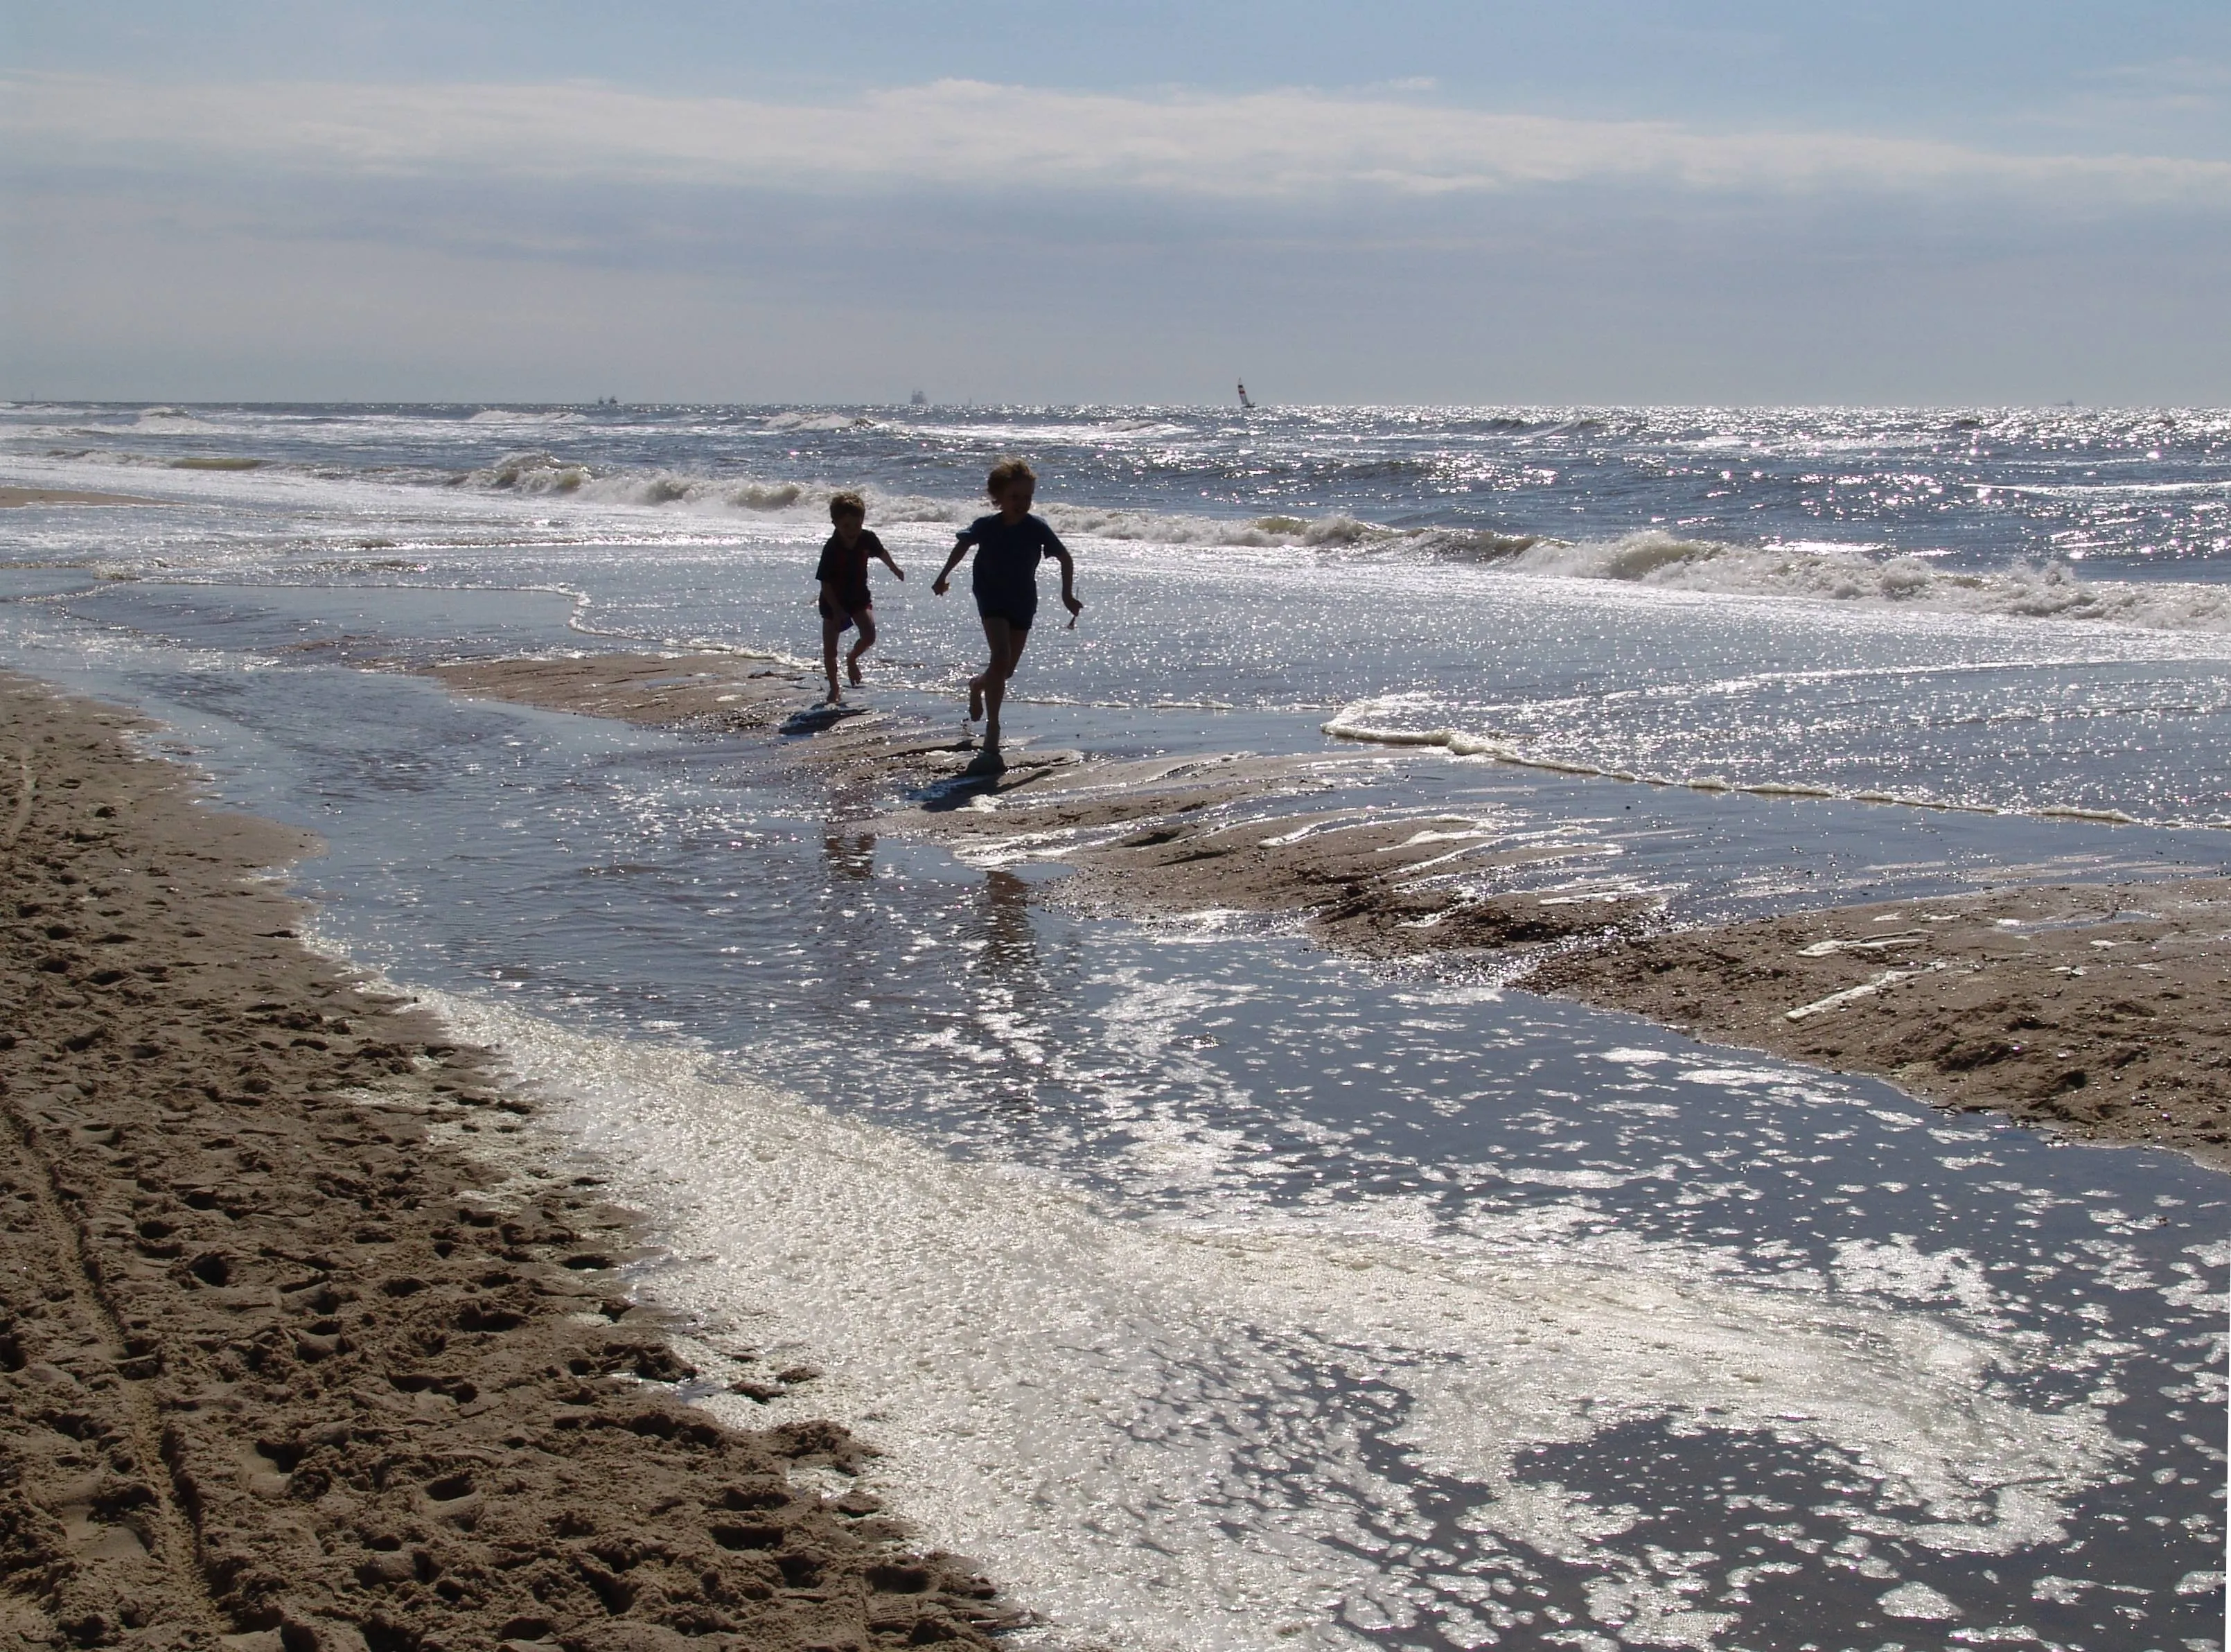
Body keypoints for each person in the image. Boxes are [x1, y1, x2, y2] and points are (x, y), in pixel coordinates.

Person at [931, 457, 1082, 755]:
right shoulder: (986, 526)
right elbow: (962, 545)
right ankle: (994, 728)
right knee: (1000, 656)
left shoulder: (1036, 528)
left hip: (1023, 599)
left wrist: (1066, 596)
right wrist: (942, 576)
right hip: (991, 596)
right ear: (998, 497)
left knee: (1006, 669)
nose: (1022, 503)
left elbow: (1065, 558)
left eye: (1028, 497)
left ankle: (977, 685)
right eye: (1015, 497)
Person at [815, 491, 904, 703]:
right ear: (835, 523)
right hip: (832, 600)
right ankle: (834, 688)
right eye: (846, 526)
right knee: (830, 650)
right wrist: (836, 610)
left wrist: (895, 569)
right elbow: (825, 584)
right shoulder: (832, 548)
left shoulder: (867, 538)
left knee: (869, 635)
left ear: (862, 521)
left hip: (858, 596)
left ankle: (852, 658)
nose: (852, 531)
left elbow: (882, 553)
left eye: (856, 525)